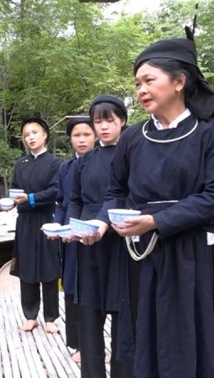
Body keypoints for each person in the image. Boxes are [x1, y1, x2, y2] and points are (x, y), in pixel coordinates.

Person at [85, 31, 214, 378]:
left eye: (148, 80)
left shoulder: (210, 134)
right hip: (144, 255)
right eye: (137, 82)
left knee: (191, 343)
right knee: (147, 342)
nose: (140, 90)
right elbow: (116, 192)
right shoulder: (133, 138)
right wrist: (101, 223)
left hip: (193, 254)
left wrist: (155, 221)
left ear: (179, 82)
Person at [66, 96, 134, 378]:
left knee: (123, 313)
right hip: (88, 242)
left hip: (122, 240)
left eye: (110, 120)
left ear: (122, 122)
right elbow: (75, 199)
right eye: (98, 121)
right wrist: (73, 228)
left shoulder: (133, 154)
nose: (104, 127)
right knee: (89, 312)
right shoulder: (85, 160)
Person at [10, 117, 62, 333]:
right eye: (26, 135)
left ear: (45, 135)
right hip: (25, 221)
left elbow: (55, 191)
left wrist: (30, 198)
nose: (30, 137)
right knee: (27, 267)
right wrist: (11, 201)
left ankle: (50, 317)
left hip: (46, 219)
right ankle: (30, 315)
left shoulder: (55, 163)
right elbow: (14, 190)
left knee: (49, 267)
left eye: (34, 133)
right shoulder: (20, 164)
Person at [53, 115, 95, 363]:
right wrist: (58, 225)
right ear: (70, 139)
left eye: (86, 134)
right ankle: (77, 345)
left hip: (96, 233)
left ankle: (100, 345)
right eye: (76, 136)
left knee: (95, 290)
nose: (81, 140)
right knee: (72, 287)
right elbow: (61, 202)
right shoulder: (65, 168)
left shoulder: (107, 162)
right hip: (70, 237)